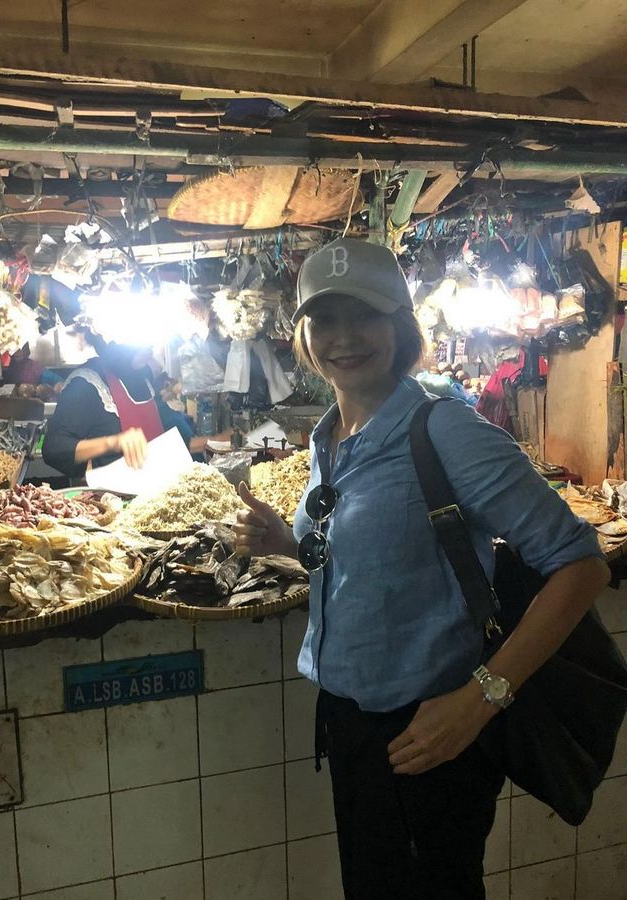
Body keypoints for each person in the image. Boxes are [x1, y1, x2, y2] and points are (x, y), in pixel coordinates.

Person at [233, 237, 610, 900]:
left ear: (401, 326)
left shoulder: (445, 431)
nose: (344, 337)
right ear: (304, 335)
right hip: (348, 722)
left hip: (432, 725)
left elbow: (580, 566)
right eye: (325, 318)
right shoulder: (330, 437)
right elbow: (376, 561)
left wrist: (480, 701)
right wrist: (290, 545)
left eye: (366, 315)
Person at [42, 328, 230, 478]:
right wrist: (113, 442)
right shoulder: (86, 383)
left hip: (158, 496)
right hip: (115, 502)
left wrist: (216, 442)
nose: (149, 348)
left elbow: (171, 443)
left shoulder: (144, 377)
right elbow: (54, 450)